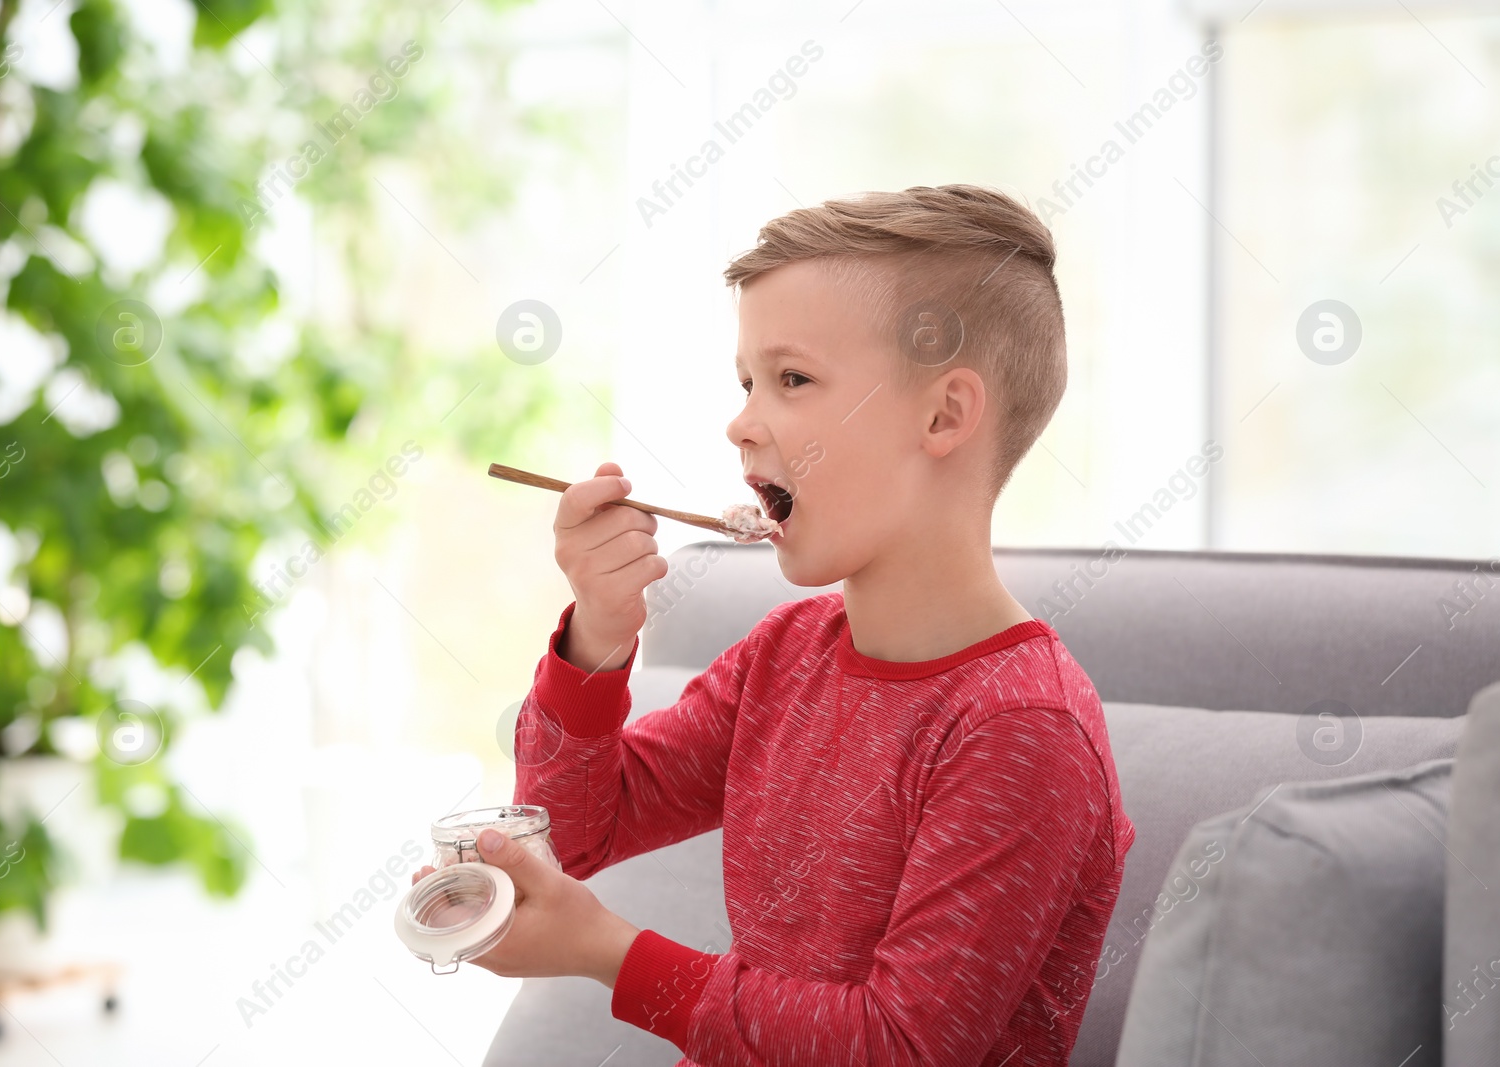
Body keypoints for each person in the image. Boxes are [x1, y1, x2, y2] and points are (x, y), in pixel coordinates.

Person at [419, 184, 1136, 1065]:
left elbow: (900, 1047)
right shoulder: (786, 656)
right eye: (747, 381)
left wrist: (608, 953)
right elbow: (574, 830)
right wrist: (599, 633)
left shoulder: (1022, 728)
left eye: (792, 379)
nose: (741, 422)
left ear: (944, 415)